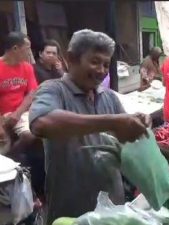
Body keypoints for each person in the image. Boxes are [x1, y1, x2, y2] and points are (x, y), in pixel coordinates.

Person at [29, 29, 152, 225]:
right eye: (94, 62)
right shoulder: (53, 90)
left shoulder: (108, 96)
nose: (101, 70)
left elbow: (123, 138)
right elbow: (41, 123)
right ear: (71, 59)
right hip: (70, 203)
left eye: (105, 64)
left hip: (111, 202)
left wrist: (137, 124)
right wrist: (111, 121)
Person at [0, 31, 38, 160]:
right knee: (3, 143)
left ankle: (11, 159)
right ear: (15, 48)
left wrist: (17, 113)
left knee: (30, 135)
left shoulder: (27, 67)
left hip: (20, 112)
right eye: (27, 48)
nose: (29, 52)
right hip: (2, 115)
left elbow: (32, 92)